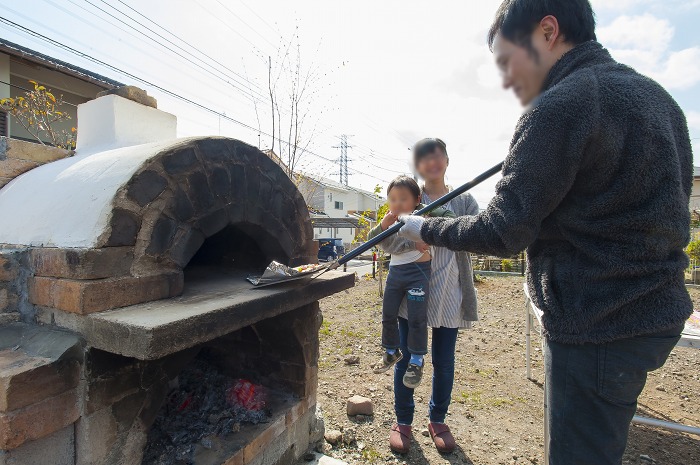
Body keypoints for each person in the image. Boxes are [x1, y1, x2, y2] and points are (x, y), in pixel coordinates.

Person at [397, 1, 694, 464]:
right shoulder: (658, 100)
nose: (506, 77)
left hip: (595, 322)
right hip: (655, 314)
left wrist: (423, 225)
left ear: (547, 32)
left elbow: (502, 231)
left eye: (506, 60)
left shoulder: (560, 106)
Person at [382, 140, 480, 455]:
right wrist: (412, 244)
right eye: (425, 158)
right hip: (413, 295)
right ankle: (404, 421)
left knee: (444, 362)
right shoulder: (410, 197)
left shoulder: (464, 201)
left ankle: (437, 420)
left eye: (437, 156)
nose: (432, 162)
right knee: (406, 359)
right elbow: (387, 241)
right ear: (418, 165)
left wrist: (447, 221)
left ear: (447, 161)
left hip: (450, 292)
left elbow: (478, 234)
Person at [368, 175, 455, 390]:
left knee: (417, 318)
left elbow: (450, 217)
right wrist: (382, 225)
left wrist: (426, 215)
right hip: (396, 273)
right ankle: (391, 350)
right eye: (393, 199)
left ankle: (416, 360)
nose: (397, 204)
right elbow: (375, 240)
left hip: (418, 273)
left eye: (403, 198)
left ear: (417, 199)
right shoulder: (391, 220)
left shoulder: (422, 215)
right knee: (388, 314)